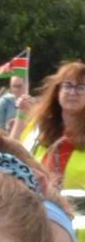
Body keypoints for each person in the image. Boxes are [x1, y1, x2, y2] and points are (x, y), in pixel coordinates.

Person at [24, 60, 85, 191]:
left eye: (81, 87)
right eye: (68, 85)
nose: (72, 92)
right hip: (37, 204)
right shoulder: (37, 127)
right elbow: (19, 159)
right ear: (57, 91)